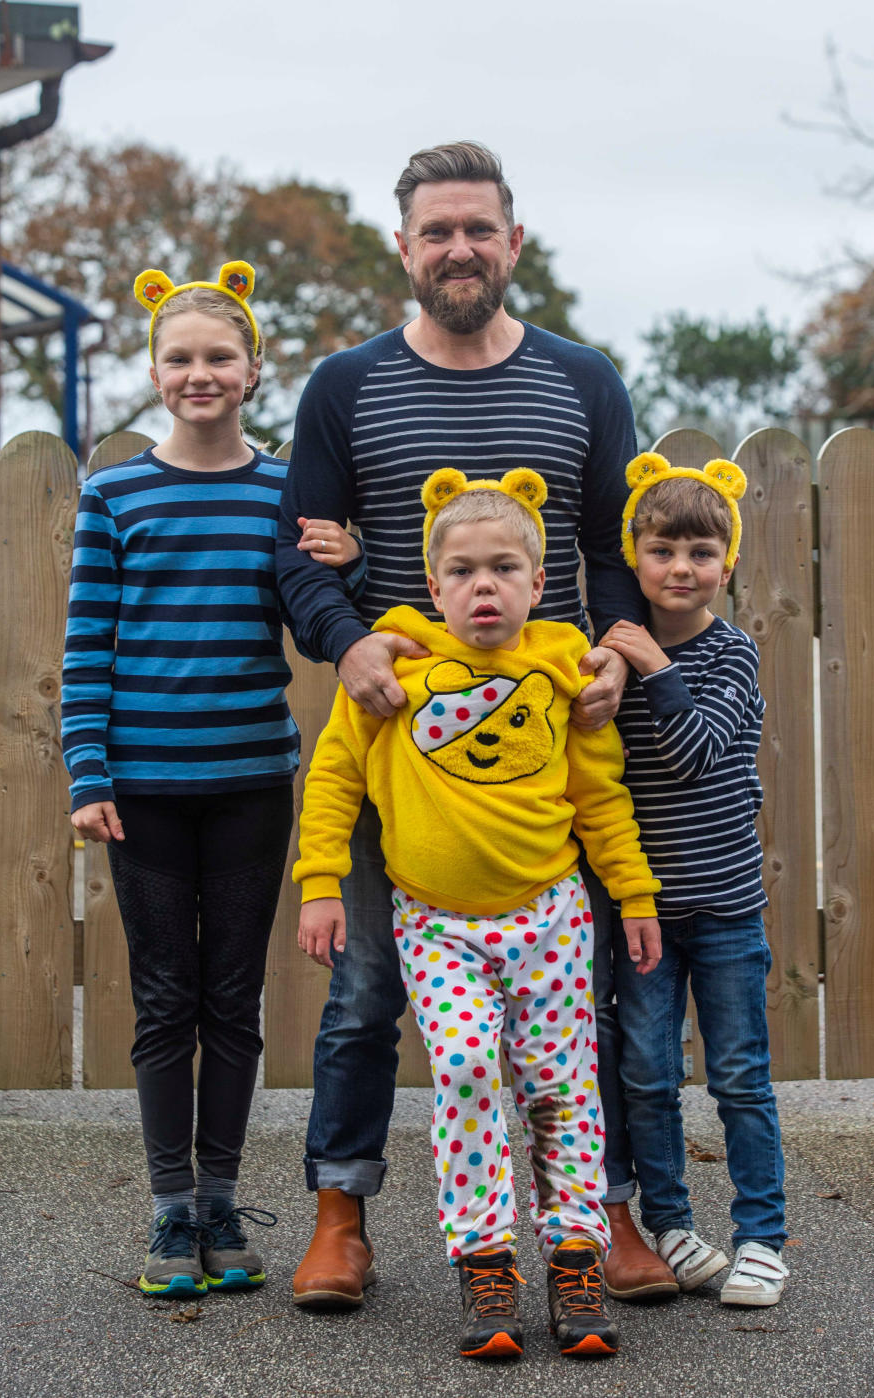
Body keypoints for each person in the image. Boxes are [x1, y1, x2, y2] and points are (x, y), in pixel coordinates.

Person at [278, 139, 676, 1308]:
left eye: (478, 227)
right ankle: (341, 1215)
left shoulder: (584, 381)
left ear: (515, 241)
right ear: (403, 249)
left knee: (576, 996)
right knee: (360, 996)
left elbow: (611, 549)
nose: (459, 248)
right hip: (397, 744)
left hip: (550, 748)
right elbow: (296, 560)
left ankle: (596, 1217)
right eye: (435, 230)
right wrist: (348, 641)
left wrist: (608, 650)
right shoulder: (345, 388)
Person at [294, 469, 662, 1358]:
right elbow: (336, 778)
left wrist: (636, 892)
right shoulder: (395, 663)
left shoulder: (563, 668)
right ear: (432, 586)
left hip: (551, 917)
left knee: (561, 1086)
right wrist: (318, 882)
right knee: (462, 1069)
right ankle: (484, 1262)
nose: (482, 586)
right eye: (461, 571)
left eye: (503, 569)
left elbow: (601, 796)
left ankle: (574, 1257)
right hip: (437, 922)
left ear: (539, 585)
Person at [61, 261, 364, 1299]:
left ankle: (225, 1201)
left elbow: (324, 626)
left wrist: (352, 559)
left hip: (248, 784)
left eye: (218, 357)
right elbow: (86, 647)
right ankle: (168, 1211)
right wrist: (86, 771)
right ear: (154, 370)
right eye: (181, 357)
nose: (201, 373)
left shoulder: (284, 494)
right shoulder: (115, 495)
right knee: (164, 997)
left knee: (233, 996)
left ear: (251, 368)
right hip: (140, 789)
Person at [600, 450, 789, 1307]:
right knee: (645, 1074)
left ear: (729, 561)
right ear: (633, 556)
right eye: (663, 551)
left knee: (741, 1074)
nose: (682, 569)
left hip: (723, 909)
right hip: (639, 912)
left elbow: (697, 754)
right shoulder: (608, 657)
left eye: (701, 553)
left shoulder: (731, 656)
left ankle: (763, 1236)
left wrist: (654, 667)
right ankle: (671, 1223)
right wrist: (629, 661)